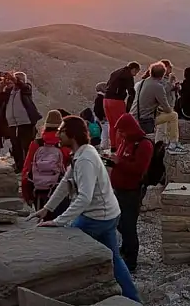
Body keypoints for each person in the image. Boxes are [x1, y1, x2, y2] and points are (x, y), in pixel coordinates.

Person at [30, 116, 140, 302]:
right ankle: (133, 299)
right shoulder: (81, 153)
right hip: (107, 214)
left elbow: (84, 198)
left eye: (62, 131)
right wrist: (47, 209)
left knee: (69, 245)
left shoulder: (85, 160)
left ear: (72, 134)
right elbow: (65, 184)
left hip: (97, 217)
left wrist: (58, 221)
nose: (58, 134)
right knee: (113, 258)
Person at [107, 113, 153, 273]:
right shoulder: (126, 142)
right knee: (119, 222)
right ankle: (125, 249)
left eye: (122, 131)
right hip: (119, 189)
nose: (120, 134)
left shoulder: (144, 145)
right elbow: (120, 162)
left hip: (131, 191)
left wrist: (120, 162)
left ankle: (131, 261)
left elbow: (138, 169)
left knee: (128, 225)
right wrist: (110, 160)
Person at [22, 110, 72, 213]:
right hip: (58, 188)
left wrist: (27, 194)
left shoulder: (36, 143)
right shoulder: (64, 144)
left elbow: (26, 169)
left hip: (38, 189)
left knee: (41, 219)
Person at [131, 61, 184, 154]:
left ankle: (164, 142)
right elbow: (167, 108)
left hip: (135, 116)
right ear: (163, 74)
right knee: (173, 115)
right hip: (145, 119)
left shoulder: (143, 82)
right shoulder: (157, 86)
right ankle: (173, 144)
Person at [0, 72, 41, 172]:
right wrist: (1, 86)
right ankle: (19, 166)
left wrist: (12, 78)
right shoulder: (10, 92)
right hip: (12, 123)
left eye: (17, 79)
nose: (13, 80)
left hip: (25, 122)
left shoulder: (26, 89)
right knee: (15, 145)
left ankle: (28, 167)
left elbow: (23, 87)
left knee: (26, 145)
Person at [103, 62, 141, 151]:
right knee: (121, 126)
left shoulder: (116, 72)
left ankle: (113, 146)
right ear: (134, 69)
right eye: (136, 72)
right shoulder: (128, 76)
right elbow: (131, 92)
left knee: (112, 125)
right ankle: (120, 147)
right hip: (117, 101)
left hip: (106, 100)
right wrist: (128, 108)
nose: (135, 75)